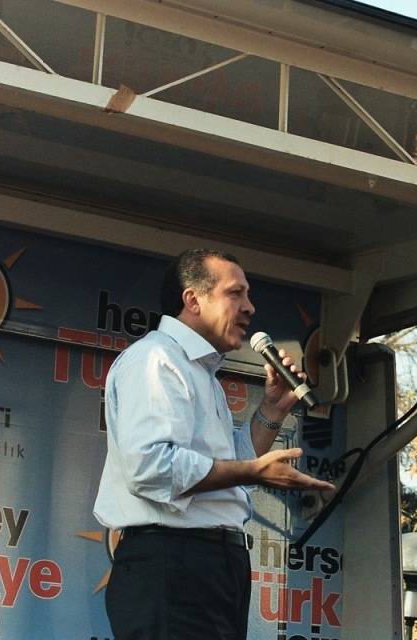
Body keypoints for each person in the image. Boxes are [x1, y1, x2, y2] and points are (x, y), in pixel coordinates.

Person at [93, 248, 336, 639]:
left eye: (248, 295)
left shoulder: (202, 373)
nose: (250, 307)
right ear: (193, 300)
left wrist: (272, 410)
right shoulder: (156, 359)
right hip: (172, 561)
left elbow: (231, 465)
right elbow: (151, 467)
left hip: (215, 563)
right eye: (235, 293)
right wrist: (252, 471)